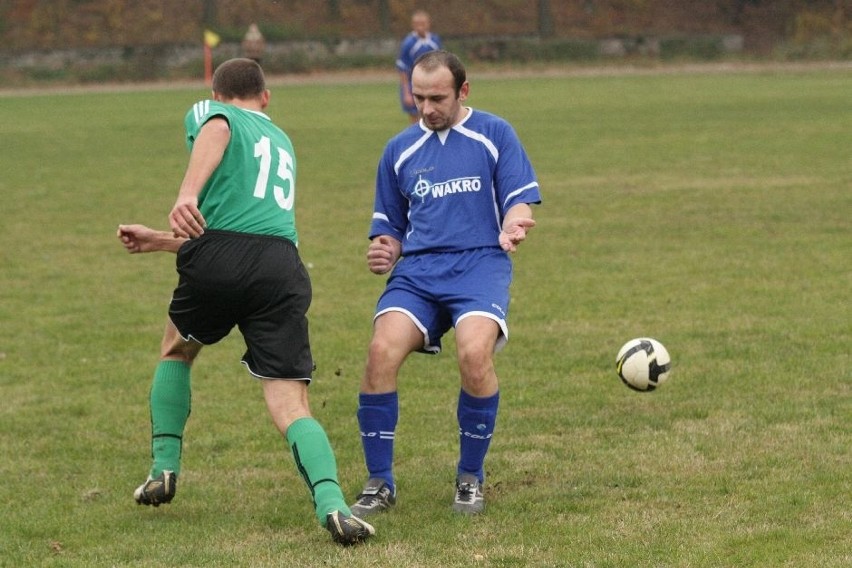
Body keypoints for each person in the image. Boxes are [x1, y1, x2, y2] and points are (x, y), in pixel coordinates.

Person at [116, 58, 374, 546]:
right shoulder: (281, 140)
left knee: (176, 348)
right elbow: (248, 233)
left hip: (221, 259)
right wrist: (157, 240)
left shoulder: (214, 114)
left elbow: (216, 130)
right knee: (291, 401)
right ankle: (333, 504)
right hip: (281, 266)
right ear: (267, 97)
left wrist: (186, 192)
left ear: (217, 94)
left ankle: (163, 469)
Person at [349, 50, 541, 518]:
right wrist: (385, 248)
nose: (427, 108)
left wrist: (514, 225)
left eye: (437, 98)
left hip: (480, 265)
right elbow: (390, 226)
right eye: (418, 98)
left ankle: (470, 477)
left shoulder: (494, 134)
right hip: (417, 274)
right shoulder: (399, 150)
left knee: (475, 354)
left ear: (464, 91)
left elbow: (520, 201)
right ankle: (380, 482)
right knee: (380, 351)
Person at [396, 10, 442, 124]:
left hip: (433, 83)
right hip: (415, 85)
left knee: (433, 115)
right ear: (413, 25)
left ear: (428, 24)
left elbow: (442, 63)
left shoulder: (435, 41)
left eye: (423, 23)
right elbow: (403, 69)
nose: (420, 27)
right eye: (417, 24)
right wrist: (407, 92)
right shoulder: (408, 43)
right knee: (415, 119)